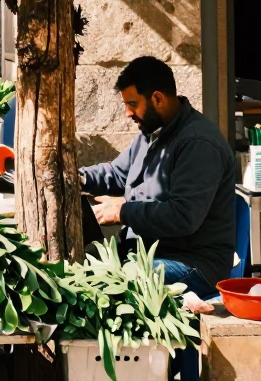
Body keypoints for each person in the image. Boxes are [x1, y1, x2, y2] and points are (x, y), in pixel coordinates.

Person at [79, 55, 236, 300]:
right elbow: (117, 173)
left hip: (193, 265)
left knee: (109, 283)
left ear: (157, 99)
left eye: (132, 104)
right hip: (149, 253)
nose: (127, 114)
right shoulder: (151, 131)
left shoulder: (198, 144)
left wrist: (123, 212)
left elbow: (183, 217)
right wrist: (78, 178)